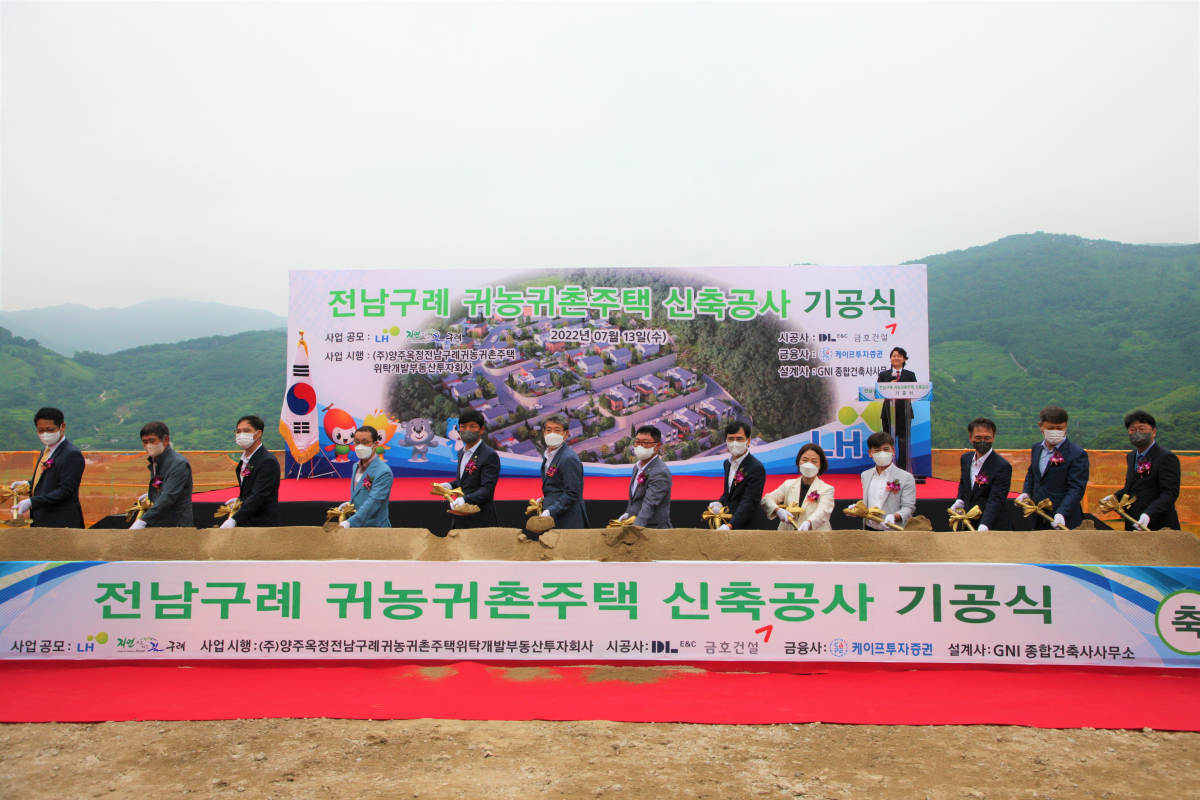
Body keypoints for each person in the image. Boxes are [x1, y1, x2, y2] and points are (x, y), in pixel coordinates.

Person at [1105, 410, 1181, 531]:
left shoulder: (1166, 457)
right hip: (1133, 521)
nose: (1137, 433)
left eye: (1142, 428)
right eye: (1133, 429)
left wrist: (1149, 514)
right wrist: (1114, 497)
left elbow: (1169, 493)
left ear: (1154, 432)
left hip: (1159, 525)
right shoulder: (1131, 456)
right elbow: (1133, 487)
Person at [10, 407, 85, 528]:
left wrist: (32, 502)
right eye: (41, 430)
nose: (45, 434)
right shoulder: (46, 451)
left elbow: (66, 490)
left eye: (50, 430)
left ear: (62, 427)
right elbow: (49, 480)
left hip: (61, 523)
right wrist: (28, 484)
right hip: (41, 520)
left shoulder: (71, 454)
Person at [1017, 406, 1089, 530]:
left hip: (1063, 519)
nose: (1055, 432)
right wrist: (1027, 492)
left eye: (1060, 428)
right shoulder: (1036, 448)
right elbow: (1033, 473)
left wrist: (1062, 513)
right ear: (1041, 426)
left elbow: (1076, 488)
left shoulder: (1077, 454)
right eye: (1050, 428)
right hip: (1038, 516)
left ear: (1066, 427)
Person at [436, 409, 500, 530]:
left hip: (480, 520)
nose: (467, 430)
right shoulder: (461, 452)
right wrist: (449, 486)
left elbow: (487, 489)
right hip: (460, 519)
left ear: (481, 429)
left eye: (472, 427)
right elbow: (466, 480)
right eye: (463, 427)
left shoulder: (489, 455)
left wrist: (465, 499)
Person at [950, 418, 1012, 531]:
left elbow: (996, 499)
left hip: (993, 526)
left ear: (993, 438)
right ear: (970, 438)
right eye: (978, 438)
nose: (982, 441)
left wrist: (985, 524)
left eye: (987, 438)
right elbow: (964, 484)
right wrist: (960, 500)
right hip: (969, 523)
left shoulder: (1002, 466)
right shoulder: (966, 459)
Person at [219, 415, 281, 529]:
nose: (241, 435)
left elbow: (259, 495)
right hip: (247, 522)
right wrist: (240, 499)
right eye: (238, 431)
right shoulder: (245, 460)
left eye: (246, 431)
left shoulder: (267, 461)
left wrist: (234, 519)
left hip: (262, 523)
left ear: (258, 433)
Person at [132, 422, 193, 529]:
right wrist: (153, 494)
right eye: (145, 442)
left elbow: (168, 496)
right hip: (159, 524)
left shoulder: (178, 464)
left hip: (176, 525)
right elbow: (160, 484)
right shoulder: (157, 462)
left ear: (165, 440)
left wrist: (143, 521)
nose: (148, 446)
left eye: (152, 441)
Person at [708, 420, 768, 531]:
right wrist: (720, 502)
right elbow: (731, 493)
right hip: (727, 521)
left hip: (746, 527)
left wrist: (730, 526)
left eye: (739, 439)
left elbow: (749, 501)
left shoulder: (756, 467)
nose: (734, 443)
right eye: (731, 439)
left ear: (748, 440)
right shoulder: (727, 464)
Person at [762, 443, 835, 531]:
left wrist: (809, 522)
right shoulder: (788, 484)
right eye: (805, 460)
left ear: (820, 465)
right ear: (798, 462)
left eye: (814, 461)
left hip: (816, 538)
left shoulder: (827, 489)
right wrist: (778, 510)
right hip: (789, 539)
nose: (809, 464)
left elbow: (823, 511)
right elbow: (766, 499)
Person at [335, 425, 393, 528]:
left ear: (375, 444)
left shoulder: (383, 472)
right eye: (357, 442)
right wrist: (351, 503)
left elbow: (374, 501)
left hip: (375, 528)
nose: (360, 446)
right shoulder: (355, 467)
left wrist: (350, 522)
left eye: (365, 442)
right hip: (358, 528)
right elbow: (360, 493)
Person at [537, 414, 589, 529]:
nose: (552, 434)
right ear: (544, 432)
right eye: (549, 430)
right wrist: (544, 501)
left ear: (566, 434)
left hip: (568, 522)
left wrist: (550, 511)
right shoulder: (547, 455)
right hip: (554, 519)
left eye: (557, 430)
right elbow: (555, 487)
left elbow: (571, 493)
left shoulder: (568, 458)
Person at [859, 431, 916, 530]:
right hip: (869, 530)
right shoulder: (865, 475)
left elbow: (908, 507)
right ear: (870, 453)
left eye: (886, 449)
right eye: (877, 450)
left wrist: (894, 516)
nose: (882, 453)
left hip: (891, 531)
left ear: (893, 451)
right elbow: (868, 503)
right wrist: (857, 509)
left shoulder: (906, 477)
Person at [619, 425, 672, 529]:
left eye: (645, 443)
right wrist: (628, 514)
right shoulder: (637, 467)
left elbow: (649, 505)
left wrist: (634, 529)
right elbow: (635, 500)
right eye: (637, 442)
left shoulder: (660, 472)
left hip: (654, 531)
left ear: (657, 446)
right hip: (637, 526)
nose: (639, 446)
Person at [876, 347, 917, 472]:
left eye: (899, 356)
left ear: (904, 359)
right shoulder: (884, 375)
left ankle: (903, 470)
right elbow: (879, 392)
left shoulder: (910, 375)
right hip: (888, 412)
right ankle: (887, 468)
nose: (896, 358)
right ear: (890, 359)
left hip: (904, 412)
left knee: (903, 443)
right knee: (887, 441)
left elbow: (915, 391)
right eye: (894, 356)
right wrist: (890, 386)